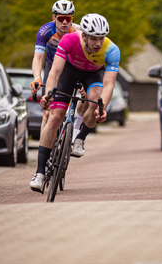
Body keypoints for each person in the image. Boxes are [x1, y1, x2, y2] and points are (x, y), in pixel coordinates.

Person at [30, 13, 120, 192]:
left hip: (93, 75)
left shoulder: (111, 50)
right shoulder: (70, 40)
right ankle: (39, 173)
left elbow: (109, 84)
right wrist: (49, 94)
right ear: (84, 35)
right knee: (55, 118)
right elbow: (55, 72)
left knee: (95, 102)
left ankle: (80, 138)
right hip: (68, 73)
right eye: (93, 38)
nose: (98, 43)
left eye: (101, 38)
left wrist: (103, 107)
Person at [29, 0, 81, 131]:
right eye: (61, 18)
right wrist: (37, 77)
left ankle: (70, 131)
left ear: (72, 19)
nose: (64, 22)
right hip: (52, 65)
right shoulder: (45, 31)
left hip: (71, 67)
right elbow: (38, 57)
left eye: (68, 18)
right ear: (54, 18)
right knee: (47, 110)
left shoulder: (78, 32)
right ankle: (44, 147)